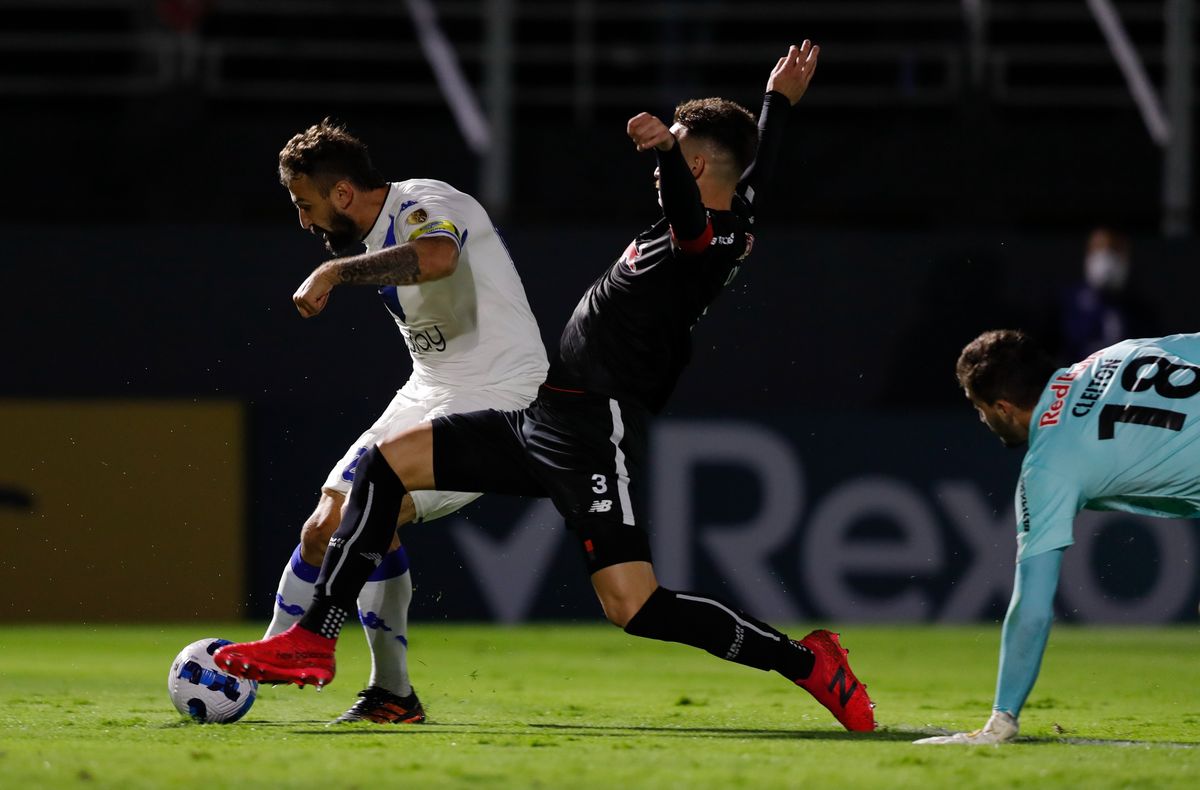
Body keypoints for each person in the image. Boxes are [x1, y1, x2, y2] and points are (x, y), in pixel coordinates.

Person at [217, 41, 876, 732]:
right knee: (384, 468)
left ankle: (808, 663)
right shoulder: (732, 213)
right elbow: (748, 176)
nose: (663, 174)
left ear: (696, 165)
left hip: (598, 428)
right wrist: (776, 105)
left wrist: (661, 152)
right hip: (545, 413)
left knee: (635, 607)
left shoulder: (701, 239)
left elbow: (689, 215)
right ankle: (317, 641)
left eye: (680, 158)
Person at [262, 119, 548, 724]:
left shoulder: (427, 203)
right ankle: (264, 664)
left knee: (375, 512)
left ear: (342, 194)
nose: (304, 221)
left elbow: (439, 257)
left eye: (304, 204)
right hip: (429, 389)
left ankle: (387, 692)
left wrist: (334, 273)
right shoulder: (371, 237)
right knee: (323, 525)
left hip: (498, 395)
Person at [917, 329, 1200, 745]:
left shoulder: (1047, 465)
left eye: (980, 409)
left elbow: (1032, 607)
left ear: (1004, 408)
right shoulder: (1118, 353)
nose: (982, 420)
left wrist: (1002, 716)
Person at [1054, 228, 1157, 363]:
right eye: (1099, 248)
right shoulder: (1066, 304)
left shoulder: (1141, 310)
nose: (1107, 256)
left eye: (1115, 250)